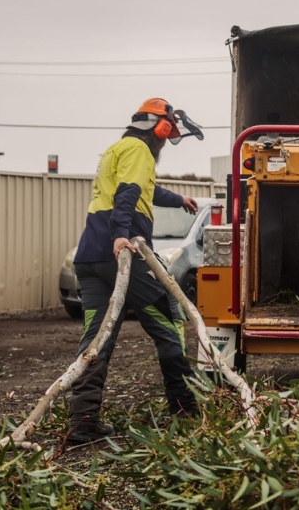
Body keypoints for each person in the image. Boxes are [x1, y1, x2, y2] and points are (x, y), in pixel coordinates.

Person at [66, 98, 205, 444]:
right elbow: (127, 195)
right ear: (158, 128)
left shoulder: (116, 150)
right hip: (122, 252)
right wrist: (120, 237)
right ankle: (186, 409)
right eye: (166, 134)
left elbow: (144, 189)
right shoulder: (141, 150)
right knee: (169, 321)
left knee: (97, 338)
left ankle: (82, 423)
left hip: (90, 257)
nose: (164, 143)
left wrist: (179, 200)